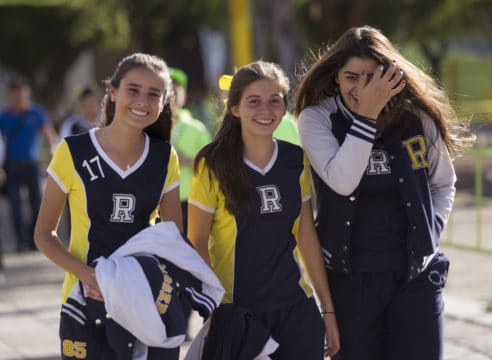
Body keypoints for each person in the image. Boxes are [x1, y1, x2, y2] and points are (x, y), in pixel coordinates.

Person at [294, 26, 474, 360]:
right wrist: (366, 115)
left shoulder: (417, 117)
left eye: (372, 76)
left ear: (391, 74)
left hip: (414, 276)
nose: (362, 87)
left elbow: (443, 183)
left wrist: (430, 232)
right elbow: (343, 181)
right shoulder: (316, 119)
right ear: (335, 77)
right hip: (351, 282)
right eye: (351, 77)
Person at [34, 53, 185, 359]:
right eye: (133, 90)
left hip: (147, 301)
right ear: (113, 92)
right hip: (85, 303)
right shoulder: (72, 151)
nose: (142, 101)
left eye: (153, 94)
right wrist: (88, 276)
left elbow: (174, 239)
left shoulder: (164, 157)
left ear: (164, 101)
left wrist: (154, 279)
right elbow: (43, 234)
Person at [187, 60, 340, 359]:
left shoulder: (295, 159)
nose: (265, 111)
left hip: (296, 309)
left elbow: (306, 236)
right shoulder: (212, 163)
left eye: (274, 101)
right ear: (235, 109)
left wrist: (328, 310)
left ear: (284, 107)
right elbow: (197, 242)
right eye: (253, 102)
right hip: (238, 313)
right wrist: (216, 310)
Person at [0, 77, 57, 252]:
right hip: (11, 166)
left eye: (21, 91)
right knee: (15, 206)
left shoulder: (36, 113)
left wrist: (54, 155)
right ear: (10, 94)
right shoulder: (4, 116)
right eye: (15, 92)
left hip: (32, 164)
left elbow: (49, 134)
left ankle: (34, 240)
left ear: (27, 92)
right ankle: (21, 241)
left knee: (37, 204)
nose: (18, 96)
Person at [169, 67, 211, 236]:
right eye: (166, 88)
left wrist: (185, 161)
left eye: (175, 88)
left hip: (190, 201)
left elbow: (211, 168)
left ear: (184, 96)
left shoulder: (197, 128)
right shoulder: (147, 128)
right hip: (157, 202)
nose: (171, 93)